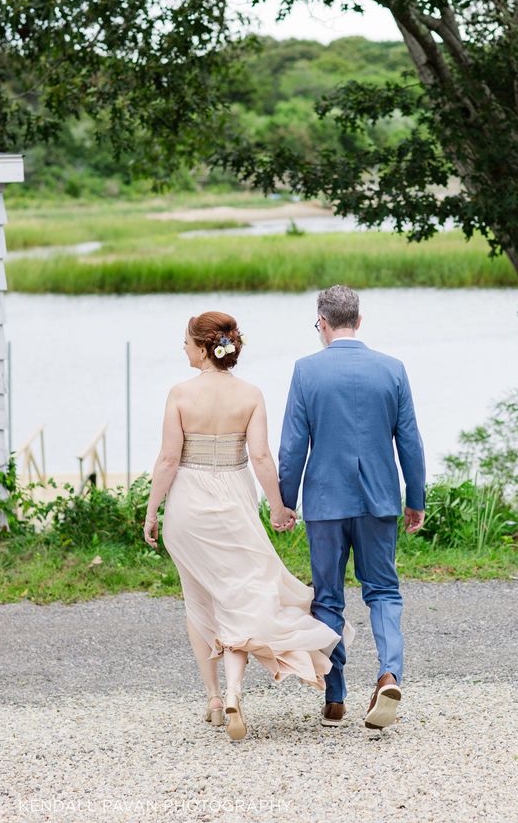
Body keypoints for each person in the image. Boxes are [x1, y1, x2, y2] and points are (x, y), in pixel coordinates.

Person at [142, 310, 354, 742]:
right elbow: (260, 458)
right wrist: (278, 507)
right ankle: (234, 693)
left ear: (204, 347)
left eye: (187, 342)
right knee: (239, 598)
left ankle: (214, 698)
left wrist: (152, 511)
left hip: (187, 511)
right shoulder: (251, 394)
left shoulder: (179, 394)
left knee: (198, 601)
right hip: (233, 507)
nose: (183, 348)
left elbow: (167, 460)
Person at [279, 285, 426, 732]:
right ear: (358, 321)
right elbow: (410, 442)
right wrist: (415, 499)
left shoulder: (306, 371)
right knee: (383, 592)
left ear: (322, 323)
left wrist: (286, 501)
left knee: (327, 598)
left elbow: (292, 447)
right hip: (379, 499)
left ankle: (335, 698)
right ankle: (389, 675)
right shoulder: (392, 369)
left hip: (325, 502)